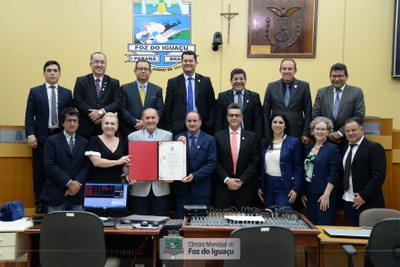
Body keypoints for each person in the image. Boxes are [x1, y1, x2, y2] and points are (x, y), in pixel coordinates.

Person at [24, 60, 73, 214]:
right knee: (39, 172)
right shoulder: (35, 91)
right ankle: (39, 202)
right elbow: (29, 115)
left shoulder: (66, 93)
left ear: (60, 73)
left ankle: (57, 200)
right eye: (49, 70)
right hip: (40, 138)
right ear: (44, 73)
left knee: (58, 170)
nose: (52, 73)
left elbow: (70, 116)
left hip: (59, 137)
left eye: (55, 70)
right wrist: (30, 134)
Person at [42, 108, 90, 213]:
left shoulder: (84, 142)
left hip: (78, 194)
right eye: (69, 120)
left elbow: (86, 166)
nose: (72, 124)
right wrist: (68, 183)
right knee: (55, 228)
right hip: (56, 194)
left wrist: (76, 184)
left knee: (79, 228)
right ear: (63, 123)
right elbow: (50, 165)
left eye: (75, 121)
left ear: (78, 124)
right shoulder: (51, 141)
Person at [127, 108, 173, 216]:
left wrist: (171, 174)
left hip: (161, 187)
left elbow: (170, 159)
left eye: (153, 117)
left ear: (158, 119)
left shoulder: (167, 136)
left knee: (161, 222)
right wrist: (127, 175)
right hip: (139, 187)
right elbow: (128, 160)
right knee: (140, 223)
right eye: (147, 118)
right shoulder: (132, 137)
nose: (150, 120)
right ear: (142, 119)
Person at [341, 119, 386, 226]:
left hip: (367, 202)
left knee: (369, 237)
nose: (350, 133)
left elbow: (378, 176)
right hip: (348, 200)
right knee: (354, 234)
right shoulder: (345, 147)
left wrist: (364, 196)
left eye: (354, 130)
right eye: (347, 131)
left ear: (362, 130)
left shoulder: (374, 147)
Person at [214, 103, 259, 209]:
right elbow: (215, 161)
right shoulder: (218, 136)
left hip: (244, 189)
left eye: (237, 115)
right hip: (224, 188)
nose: (234, 117)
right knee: (221, 223)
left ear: (242, 117)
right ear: (227, 117)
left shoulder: (252, 137)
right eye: (231, 115)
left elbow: (255, 162)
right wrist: (227, 179)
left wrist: (241, 180)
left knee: (244, 224)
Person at [173, 111, 217, 218]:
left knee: (200, 224)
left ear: (200, 122)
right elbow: (172, 162)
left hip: (201, 190)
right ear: (185, 122)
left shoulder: (210, 140)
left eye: (195, 121)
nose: (192, 123)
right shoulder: (177, 138)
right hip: (182, 190)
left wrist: (195, 175)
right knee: (181, 222)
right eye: (189, 121)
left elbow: (211, 163)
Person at [312, 63, 366, 145]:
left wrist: (340, 133)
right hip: (326, 139)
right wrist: (329, 133)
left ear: (346, 76)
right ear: (330, 77)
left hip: (348, 138)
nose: (337, 79)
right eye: (334, 76)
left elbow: (359, 116)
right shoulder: (321, 92)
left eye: (340, 76)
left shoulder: (356, 92)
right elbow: (316, 114)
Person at [164, 50, 216, 135]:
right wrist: (170, 128)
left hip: (202, 127)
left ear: (196, 63)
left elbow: (212, 106)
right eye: (185, 61)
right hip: (178, 128)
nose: (188, 63)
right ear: (181, 62)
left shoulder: (206, 81)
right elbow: (168, 108)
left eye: (191, 61)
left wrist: (209, 124)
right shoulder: (173, 82)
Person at [263, 58, 312, 144]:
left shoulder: (304, 86)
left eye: (290, 69)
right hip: (276, 131)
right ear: (280, 70)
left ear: (295, 70)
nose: (287, 71)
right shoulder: (271, 86)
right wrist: (267, 132)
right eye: (284, 68)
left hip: (297, 132)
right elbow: (266, 112)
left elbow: (308, 112)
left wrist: (306, 133)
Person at [258, 113, 302, 208]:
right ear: (270, 124)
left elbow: (298, 167)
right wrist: (259, 186)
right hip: (267, 186)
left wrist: (296, 188)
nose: (277, 125)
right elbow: (260, 166)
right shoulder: (264, 142)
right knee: (268, 216)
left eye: (281, 122)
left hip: (285, 186)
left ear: (285, 126)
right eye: (275, 122)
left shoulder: (293, 142)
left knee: (282, 217)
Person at [73, 52, 121, 139]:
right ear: (91, 64)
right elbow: (77, 100)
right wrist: (92, 114)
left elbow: (117, 103)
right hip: (85, 129)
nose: (99, 65)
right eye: (96, 62)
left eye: (102, 62)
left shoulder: (113, 82)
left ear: (106, 65)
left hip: (106, 129)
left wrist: (101, 113)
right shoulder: (81, 81)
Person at [302, 117, 341, 225]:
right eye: (317, 129)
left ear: (329, 131)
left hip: (324, 194)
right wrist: (303, 192)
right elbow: (305, 171)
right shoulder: (308, 148)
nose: (320, 131)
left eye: (323, 129)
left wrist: (326, 195)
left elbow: (334, 174)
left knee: (323, 226)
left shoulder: (333, 149)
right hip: (309, 194)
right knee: (312, 226)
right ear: (312, 131)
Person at [214, 68, 263, 140]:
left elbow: (258, 121)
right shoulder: (223, 97)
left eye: (241, 79)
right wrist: (219, 138)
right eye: (235, 79)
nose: (238, 81)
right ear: (231, 81)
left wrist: (257, 139)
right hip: (228, 137)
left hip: (249, 138)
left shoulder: (254, 97)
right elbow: (218, 121)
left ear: (245, 80)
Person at [120, 60, 164, 138]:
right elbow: (122, 109)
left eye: (145, 69)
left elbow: (160, 110)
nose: (143, 71)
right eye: (140, 69)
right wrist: (135, 122)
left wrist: (145, 123)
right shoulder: (125, 88)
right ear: (135, 71)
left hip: (151, 131)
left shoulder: (157, 90)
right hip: (131, 129)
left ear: (150, 72)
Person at [85, 113, 130, 183]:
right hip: (97, 185)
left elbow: (124, 165)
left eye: (112, 124)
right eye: (106, 123)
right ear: (102, 125)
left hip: (117, 184)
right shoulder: (94, 140)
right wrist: (118, 162)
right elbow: (96, 162)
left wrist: (127, 173)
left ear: (117, 126)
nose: (109, 126)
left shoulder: (123, 143)